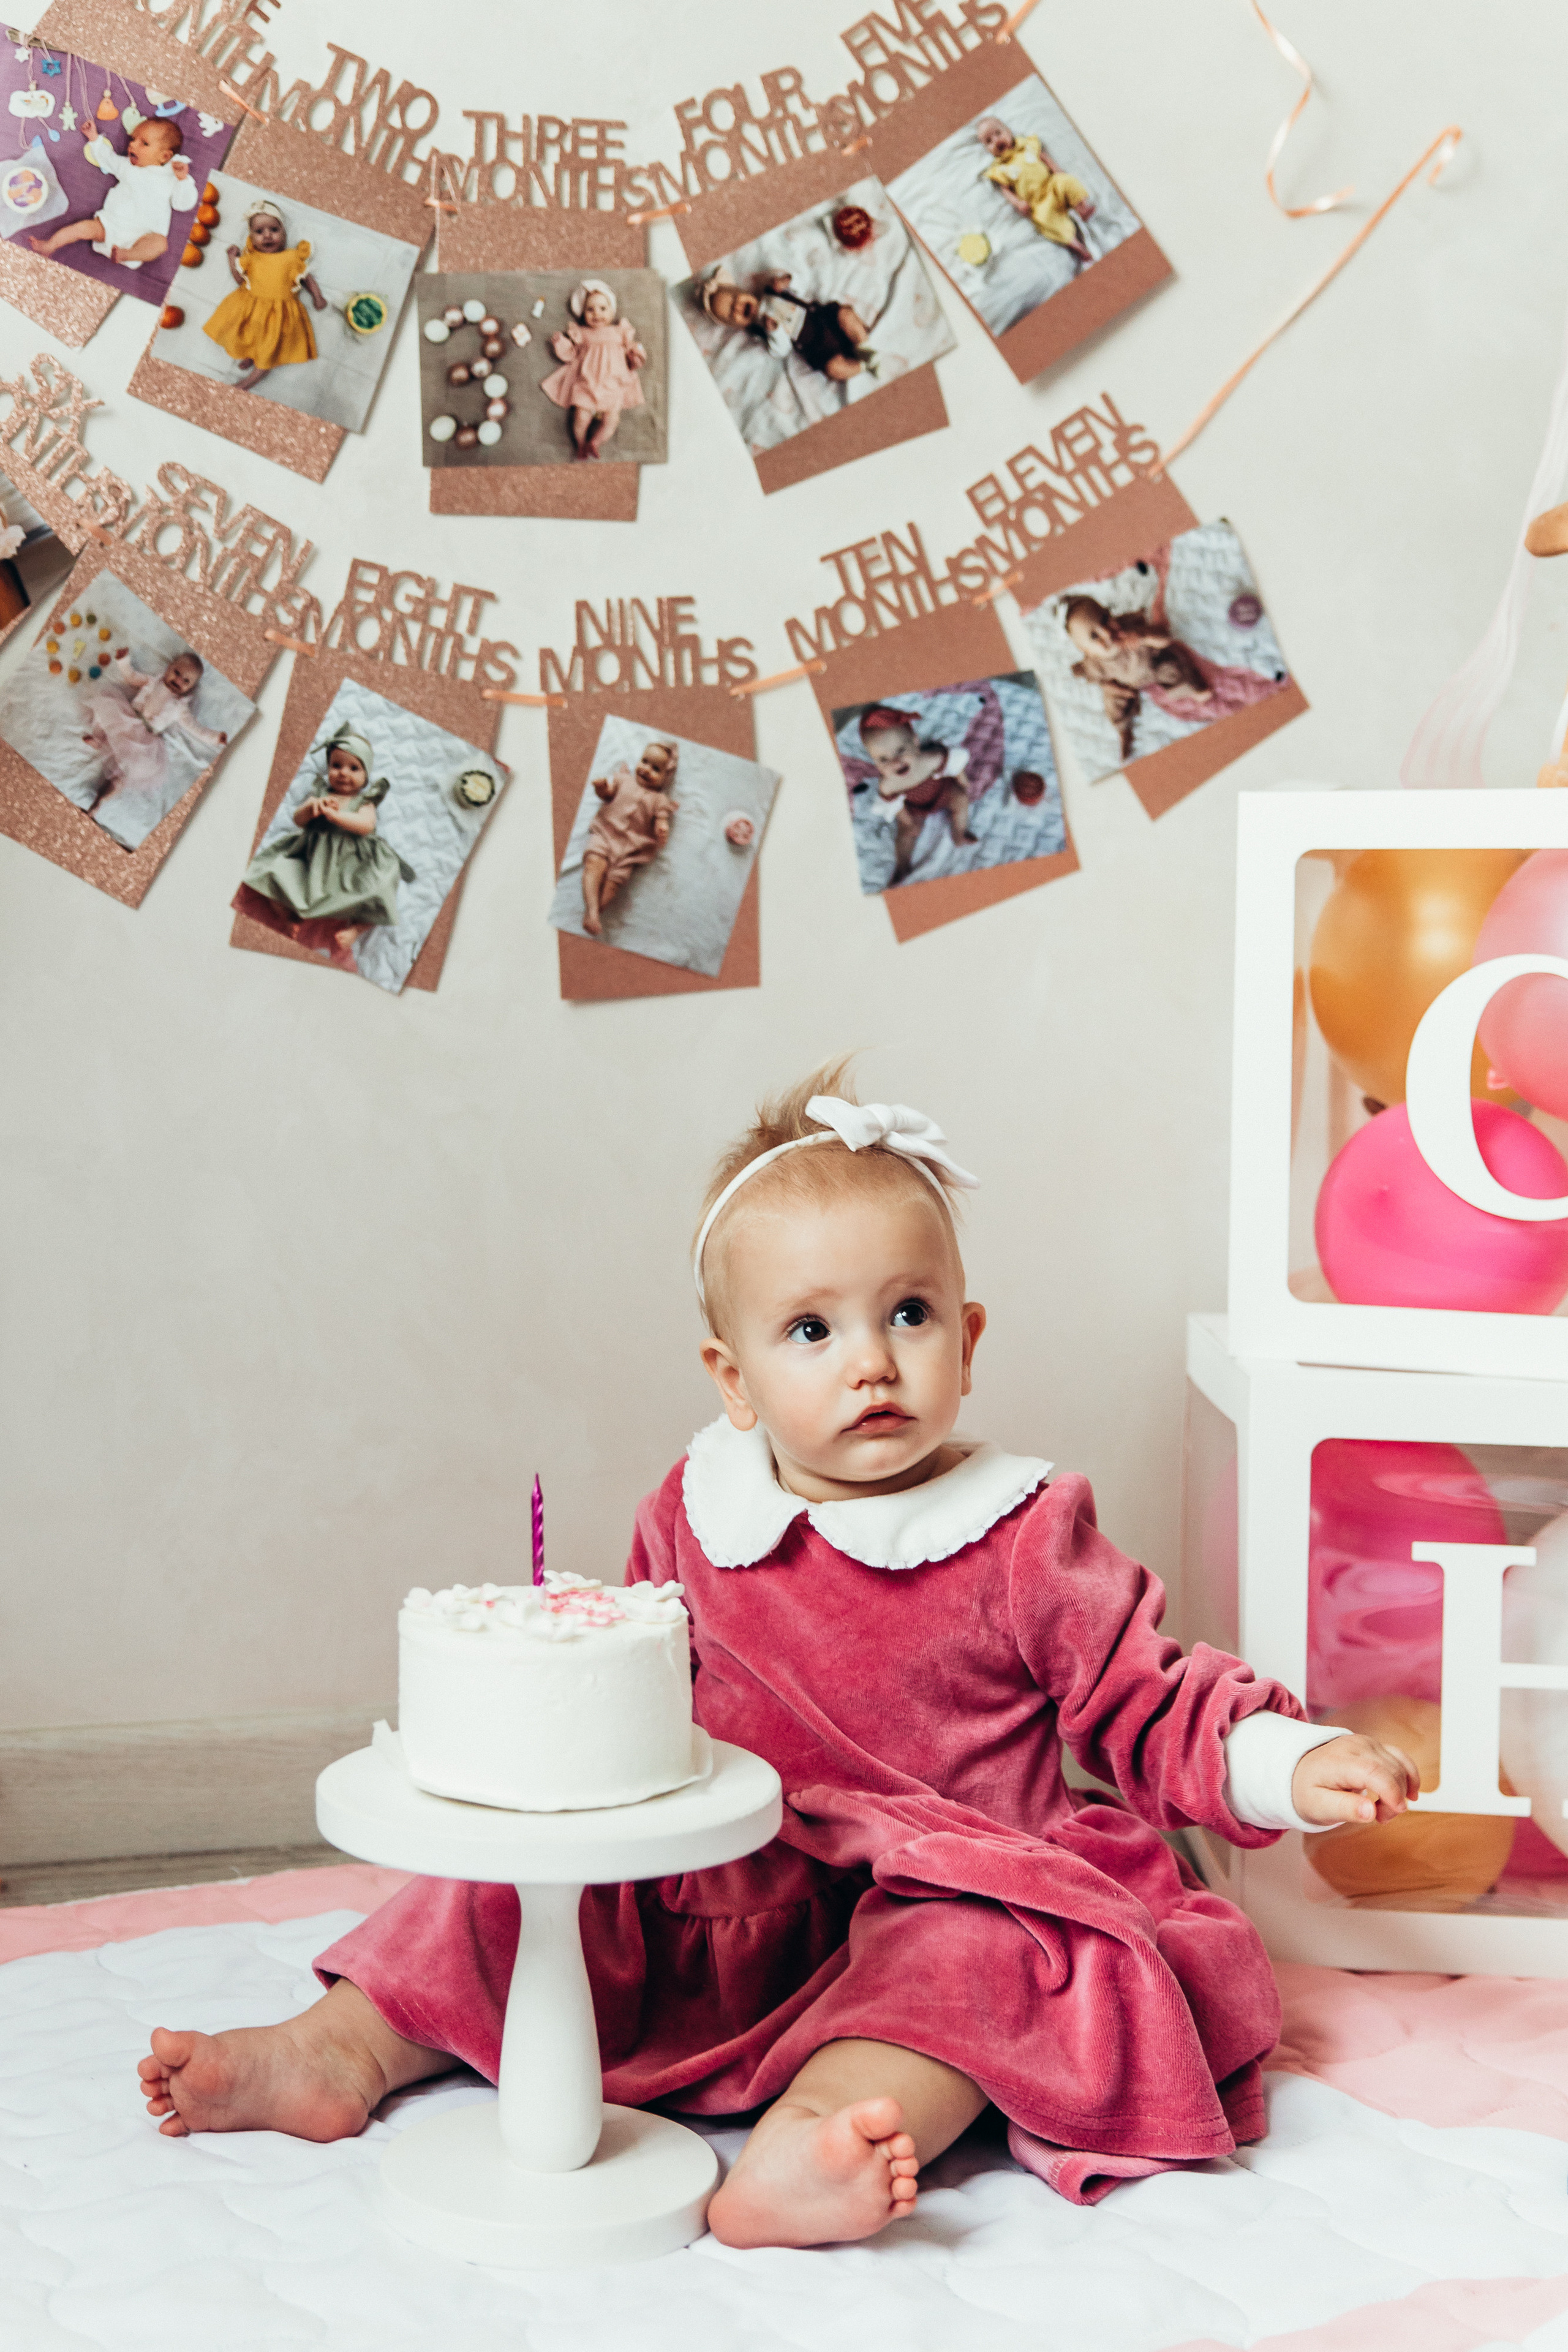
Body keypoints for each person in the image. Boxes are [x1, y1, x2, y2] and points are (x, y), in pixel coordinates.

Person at [135, 1070, 1415, 2248]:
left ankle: (824, 2136)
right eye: (810, 1331)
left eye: (906, 1314)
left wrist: (1284, 1759)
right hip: (726, 1881)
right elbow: (630, 1692)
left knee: (975, 1973)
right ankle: (338, 2048)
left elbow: (1145, 1698)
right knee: (512, 1897)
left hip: (939, 1883)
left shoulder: (1024, 1532)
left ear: (967, 1340)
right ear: (731, 1379)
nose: (869, 1361)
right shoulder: (692, 1513)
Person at [1064, 557, 1289, 765]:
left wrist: (1144, 637)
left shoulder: (1131, 628)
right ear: (1086, 652)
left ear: (1109, 612)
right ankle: (1123, 731)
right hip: (1126, 684)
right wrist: (1111, 688)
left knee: (1176, 667)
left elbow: (1164, 639)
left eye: (1104, 620)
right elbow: (1099, 680)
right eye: (1094, 637)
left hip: (1153, 665)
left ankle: (1195, 689)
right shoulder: (1095, 664)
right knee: (1113, 706)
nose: (1106, 633)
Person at [233, 723, 413, 970]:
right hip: (311, 859)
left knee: (379, 889)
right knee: (272, 871)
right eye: (336, 766)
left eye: (354, 768)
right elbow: (298, 820)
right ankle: (287, 918)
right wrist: (311, 809)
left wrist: (338, 817)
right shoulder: (320, 794)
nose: (343, 773)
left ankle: (355, 931)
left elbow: (366, 825)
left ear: (366, 775)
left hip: (352, 862)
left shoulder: (365, 801)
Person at [29, 115, 194, 270]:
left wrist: (183, 180)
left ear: (165, 156)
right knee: (82, 228)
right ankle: (50, 245)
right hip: (110, 225)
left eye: (144, 144)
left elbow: (183, 204)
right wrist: (94, 139)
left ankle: (127, 254)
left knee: (160, 244)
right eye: (133, 140)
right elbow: (108, 159)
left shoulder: (172, 177)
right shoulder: (128, 167)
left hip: (144, 236)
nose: (132, 145)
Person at [203, 202, 328, 393]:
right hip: (251, 308)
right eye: (260, 232)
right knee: (248, 336)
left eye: (274, 229)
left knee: (271, 348)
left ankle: (248, 382)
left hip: (280, 315)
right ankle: (252, 356)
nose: (268, 235)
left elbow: (306, 279)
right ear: (251, 238)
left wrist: (317, 296)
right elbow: (240, 280)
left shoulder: (292, 257)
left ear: (284, 233)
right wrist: (232, 259)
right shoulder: (251, 258)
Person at [81, 647, 227, 809]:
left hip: (144, 739)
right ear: (169, 668)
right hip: (129, 717)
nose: (178, 681)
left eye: (186, 681)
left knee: (123, 773)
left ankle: (98, 803)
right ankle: (100, 741)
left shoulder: (180, 708)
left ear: (191, 688)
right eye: (177, 673)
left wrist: (215, 738)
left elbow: (196, 729)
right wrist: (123, 662)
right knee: (105, 712)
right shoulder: (152, 681)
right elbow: (131, 678)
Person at [699, 265, 875, 383]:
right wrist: (774, 333)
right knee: (833, 369)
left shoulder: (771, 291)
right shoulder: (760, 331)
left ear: (740, 290)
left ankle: (865, 348)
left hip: (823, 319)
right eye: (732, 314)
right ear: (736, 325)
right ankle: (864, 366)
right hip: (818, 348)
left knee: (845, 315)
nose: (737, 308)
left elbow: (802, 289)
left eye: (733, 300)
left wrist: (787, 282)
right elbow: (781, 351)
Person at [579, 736, 678, 937]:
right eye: (645, 762)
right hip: (605, 832)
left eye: (656, 769)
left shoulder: (659, 799)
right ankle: (591, 909)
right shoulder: (624, 780)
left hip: (630, 849)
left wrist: (662, 826)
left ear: (666, 779)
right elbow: (608, 795)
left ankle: (596, 914)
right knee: (594, 864)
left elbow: (661, 818)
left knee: (614, 884)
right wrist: (601, 788)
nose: (646, 770)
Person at [539, 279, 647, 461]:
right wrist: (561, 343)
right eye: (590, 310)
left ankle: (595, 443)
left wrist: (636, 355)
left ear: (612, 311)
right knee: (581, 418)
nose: (597, 314)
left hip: (614, 385)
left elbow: (631, 355)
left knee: (612, 420)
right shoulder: (582, 333)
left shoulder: (619, 332)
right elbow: (571, 355)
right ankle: (581, 443)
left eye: (603, 309)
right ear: (582, 313)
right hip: (586, 384)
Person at [975, 115, 1094, 265]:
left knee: (1067, 180)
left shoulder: (1027, 145)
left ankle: (1082, 208)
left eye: (998, 133)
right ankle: (1076, 245)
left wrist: (1056, 170)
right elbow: (1005, 190)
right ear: (987, 150)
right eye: (989, 141)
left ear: (1009, 131)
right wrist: (1018, 203)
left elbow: (1044, 157)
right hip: (1038, 204)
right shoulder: (1000, 168)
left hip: (1052, 185)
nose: (996, 140)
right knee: (1045, 221)